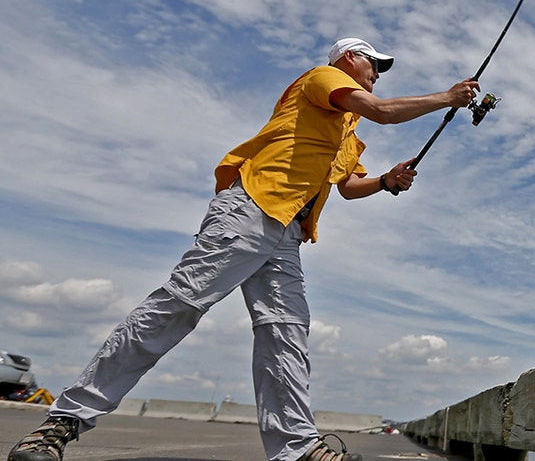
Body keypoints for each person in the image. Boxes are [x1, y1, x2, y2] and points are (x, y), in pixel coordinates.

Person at [8, 38, 478, 461]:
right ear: (349, 59)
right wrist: (447, 98)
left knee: (286, 335)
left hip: (288, 234)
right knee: (178, 305)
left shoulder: (348, 133)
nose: (377, 71)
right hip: (253, 206)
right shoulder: (324, 79)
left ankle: (297, 450)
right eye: (374, 62)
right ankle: (60, 423)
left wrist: (387, 182)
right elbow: (382, 109)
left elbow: (351, 186)